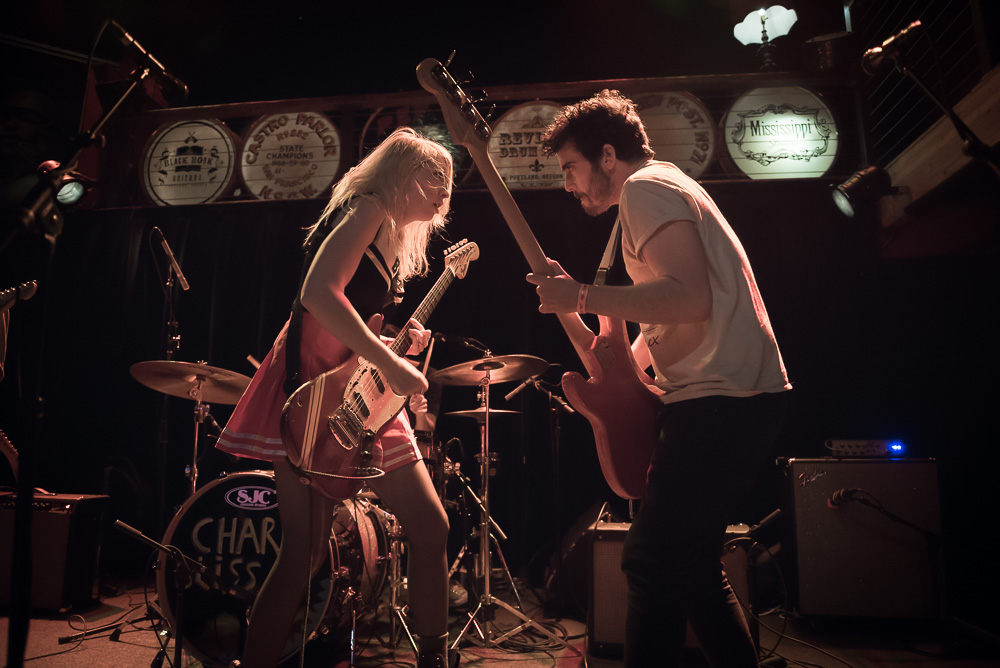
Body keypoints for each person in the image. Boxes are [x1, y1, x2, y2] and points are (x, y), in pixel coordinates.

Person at [526, 90, 790, 667]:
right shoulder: (666, 183)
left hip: (723, 400)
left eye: (571, 168)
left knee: (649, 562)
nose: (567, 184)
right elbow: (675, 307)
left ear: (607, 155)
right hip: (733, 396)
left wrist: (582, 296)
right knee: (689, 564)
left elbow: (690, 299)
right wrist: (627, 368)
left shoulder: (645, 191)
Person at [216, 127, 457, 668]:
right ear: (402, 174)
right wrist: (394, 361)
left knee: (430, 525)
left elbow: (355, 318)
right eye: (435, 175)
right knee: (302, 554)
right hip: (317, 389)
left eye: (450, 179)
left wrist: (400, 341)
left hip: (362, 395)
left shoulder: (390, 237)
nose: (446, 189)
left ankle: (435, 659)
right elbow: (317, 292)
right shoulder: (369, 207)